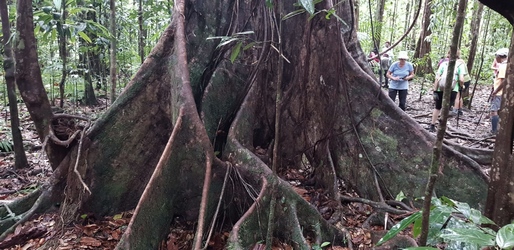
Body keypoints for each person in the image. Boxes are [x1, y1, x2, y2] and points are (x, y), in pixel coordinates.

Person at [428, 50, 463, 132]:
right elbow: (461, 79)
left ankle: (432, 125)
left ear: (448, 55)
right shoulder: (460, 66)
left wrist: (435, 90)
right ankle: (442, 126)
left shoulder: (443, 64)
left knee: (437, 107)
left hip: (441, 88)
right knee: (446, 108)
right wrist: (462, 85)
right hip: (453, 89)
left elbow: (437, 77)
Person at [489, 48, 509, 135]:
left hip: (499, 93)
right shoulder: (505, 65)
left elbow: (504, 81)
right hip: (500, 92)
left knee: (494, 111)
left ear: (500, 56)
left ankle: (494, 131)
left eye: (496, 56)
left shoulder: (503, 66)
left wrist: (495, 91)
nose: (495, 58)